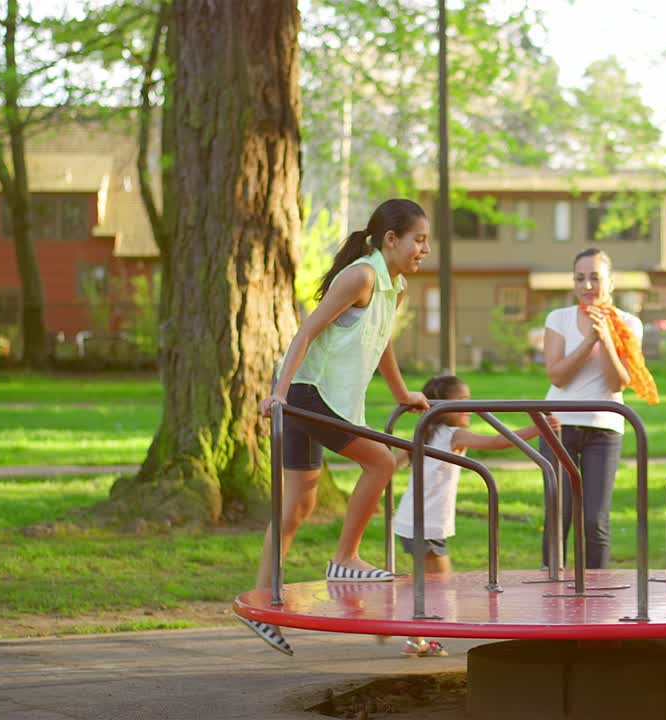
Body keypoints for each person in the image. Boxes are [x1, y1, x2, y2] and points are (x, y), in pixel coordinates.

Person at [237, 199, 433, 656]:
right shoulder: (362, 275)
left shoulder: (394, 286)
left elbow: (380, 342)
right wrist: (280, 394)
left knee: (297, 507)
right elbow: (306, 331)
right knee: (382, 463)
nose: (424, 249)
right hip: (310, 395)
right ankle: (344, 559)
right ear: (391, 239)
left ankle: (260, 603)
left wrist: (402, 394)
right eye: (418, 239)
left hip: (321, 398)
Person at [392, 374, 561, 657]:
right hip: (426, 523)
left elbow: (395, 460)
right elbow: (497, 441)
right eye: (462, 401)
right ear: (443, 406)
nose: (470, 406)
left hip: (414, 520)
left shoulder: (425, 432)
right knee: (439, 584)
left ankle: (416, 636)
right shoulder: (451, 434)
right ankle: (416, 635)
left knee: (429, 582)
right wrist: (537, 428)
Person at [539, 248, 656, 569]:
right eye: (580, 278)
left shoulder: (628, 324)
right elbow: (558, 376)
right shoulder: (558, 319)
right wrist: (588, 339)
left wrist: (605, 339)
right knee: (558, 517)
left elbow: (618, 383)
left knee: (595, 522)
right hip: (559, 427)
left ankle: (595, 601)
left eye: (595, 277)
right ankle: (551, 594)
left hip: (603, 429)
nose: (587, 285)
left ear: (611, 282)